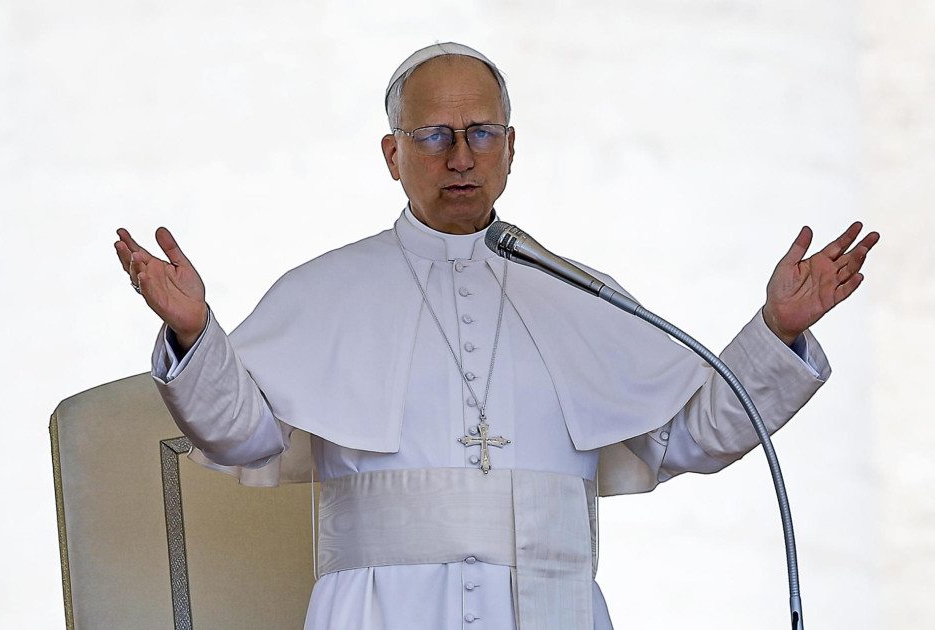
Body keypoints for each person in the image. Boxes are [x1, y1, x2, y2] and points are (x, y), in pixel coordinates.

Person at [114, 43, 878, 630]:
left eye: (481, 132)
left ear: (511, 147)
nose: (460, 156)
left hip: (553, 605)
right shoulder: (323, 291)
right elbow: (243, 437)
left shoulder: (579, 292)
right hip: (382, 610)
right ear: (392, 154)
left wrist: (775, 330)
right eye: (433, 135)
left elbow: (689, 437)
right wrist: (193, 334)